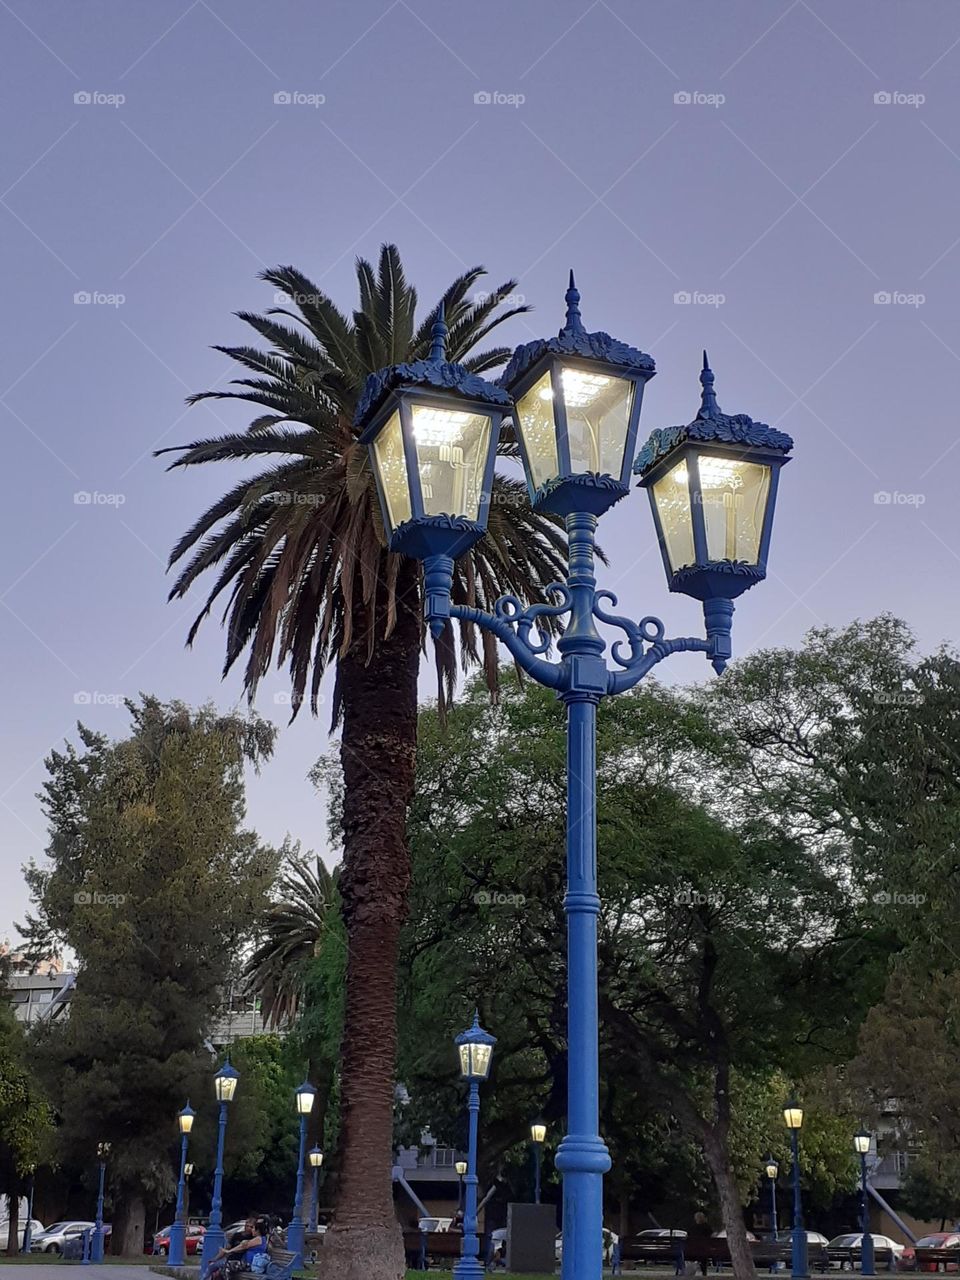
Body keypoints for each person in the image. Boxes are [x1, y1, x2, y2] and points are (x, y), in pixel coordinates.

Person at [203, 1216, 269, 1280]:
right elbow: (241, 1245)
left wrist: (229, 1251)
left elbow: (243, 1246)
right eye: (247, 1226)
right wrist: (216, 1258)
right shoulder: (252, 1238)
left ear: (257, 1231)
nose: (251, 1230)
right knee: (216, 1266)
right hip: (244, 1263)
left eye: (253, 1228)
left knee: (226, 1267)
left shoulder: (258, 1239)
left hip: (249, 1264)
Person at [690, 1211, 713, 1277]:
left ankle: (692, 1271)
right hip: (705, 1251)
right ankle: (704, 1272)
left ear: (695, 1219)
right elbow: (711, 1237)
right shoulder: (707, 1227)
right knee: (703, 1256)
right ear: (704, 1218)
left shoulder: (692, 1228)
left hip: (692, 1251)